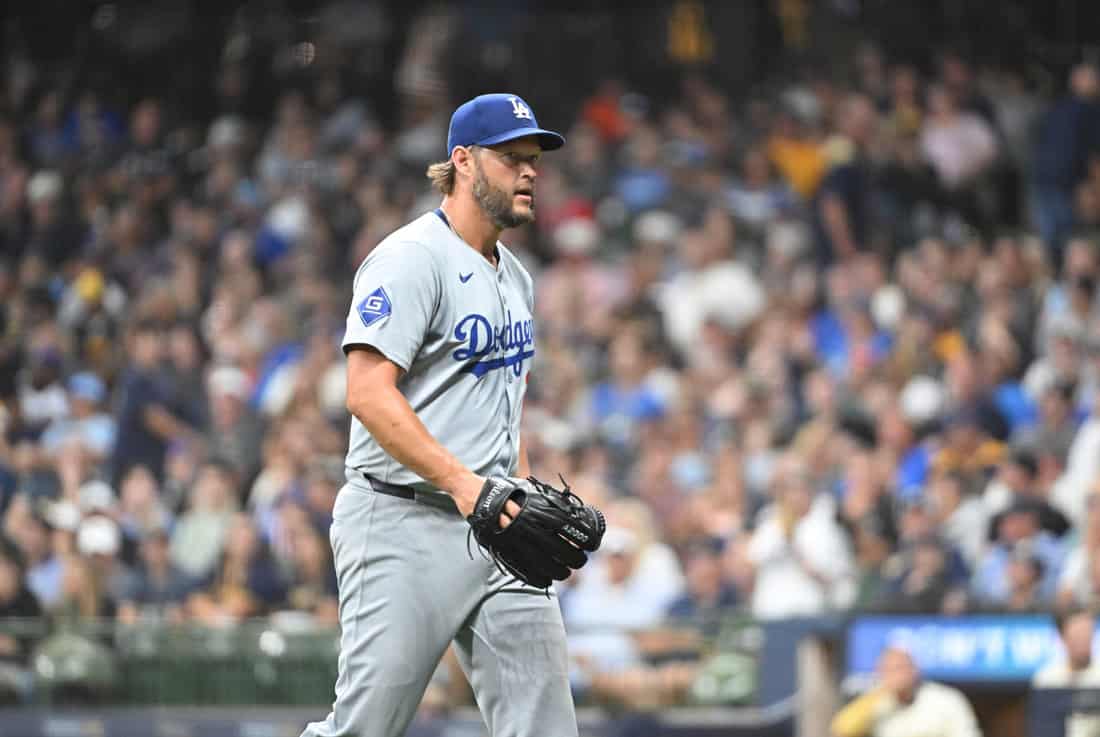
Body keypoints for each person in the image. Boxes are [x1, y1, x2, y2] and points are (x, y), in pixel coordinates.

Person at [300, 93, 579, 737]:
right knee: (366, 728)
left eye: (533, 159)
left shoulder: (517, 277)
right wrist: (464, 485)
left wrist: (525, 494)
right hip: (401, 521)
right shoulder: (409, 258)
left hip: (495, 527)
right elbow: (367, 393)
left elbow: (505, 410)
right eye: (512, 158)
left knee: (546, 726)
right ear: (463, 161)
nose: (530, 172)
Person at [830, 646, 982, 737]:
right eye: (889, 670)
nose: (896, 676)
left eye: (901, 668)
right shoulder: (877, 703)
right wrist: (880, 692)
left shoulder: (945, 699)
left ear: (914, 670)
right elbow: (842, 729)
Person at [1033, 608, 1100, 737]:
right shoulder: (1046, 679)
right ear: (1063, 636)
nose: (1083, 641)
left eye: (1087, 634)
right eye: (1077, 635)